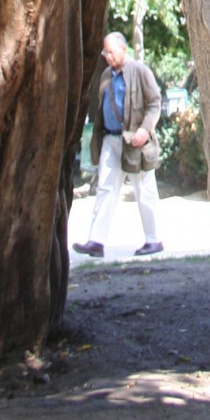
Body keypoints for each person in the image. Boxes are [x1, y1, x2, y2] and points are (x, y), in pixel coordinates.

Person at [73, 31, 164, 259]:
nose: (107, 56)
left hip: (135, 142)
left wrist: (144, 129)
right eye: (105, 52)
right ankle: (96, 241)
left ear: (124, 49)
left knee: (144, 190)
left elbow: (155, 103)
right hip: (110, 139)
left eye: (111, 52)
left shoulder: (140, 71)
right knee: (105, 187)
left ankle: (153, 240)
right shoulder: (105, 75)